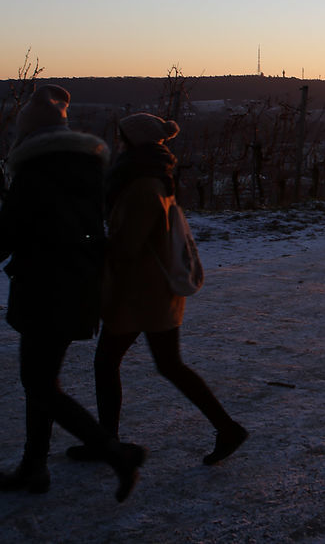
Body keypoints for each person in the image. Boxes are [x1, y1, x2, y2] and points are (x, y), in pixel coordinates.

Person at [0, 84, 145, 502]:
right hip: (78, 285)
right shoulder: (87, 167)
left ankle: (114, 454)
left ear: (29, 133)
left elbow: (8, 231)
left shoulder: (36, 171)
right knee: (41, 380)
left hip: (44, 287)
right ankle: (34, 466)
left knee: (40, 385)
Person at [67, 112, 247, 466]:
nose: (118, 142)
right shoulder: (154, 178)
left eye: (122, 137)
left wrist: (90, 245)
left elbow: (126, 247)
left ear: (133, 142)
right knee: (167, 364)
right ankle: (226, 428)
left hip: (139, 293)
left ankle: (108, 443)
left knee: (109, 363)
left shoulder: (142, 185)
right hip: (155, 292)